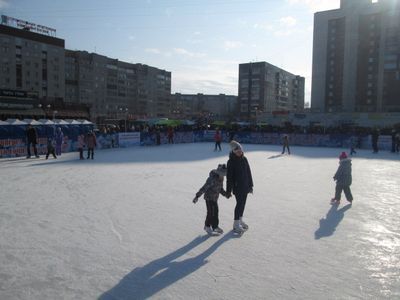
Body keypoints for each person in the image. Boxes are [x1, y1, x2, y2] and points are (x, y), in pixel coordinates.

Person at [226, 140, 253, 234]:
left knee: (243, 204)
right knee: (239, 204)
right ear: (234, 151)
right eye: (237, 152)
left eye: (240, 151)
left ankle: (240, 220)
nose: (239, 153)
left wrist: (251, 185)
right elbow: (229, 178)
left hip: (245, 186)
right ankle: (236, 224)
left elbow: (248, 173)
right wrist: (228, 191)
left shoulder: (244, 159)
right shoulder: (231, 162)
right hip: (237, 187)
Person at [193, 164, 228, 235]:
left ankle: (215, 226)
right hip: (209, 198)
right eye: (221, 173)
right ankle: (207, 226)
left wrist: (225, 194)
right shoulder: (212, 178)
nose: (222, 175)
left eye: (224, 174)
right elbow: (204, 188)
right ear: (218, 172)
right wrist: (197, 196)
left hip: (215, 198)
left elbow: (220, 189)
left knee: (216, 212)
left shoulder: (221, 178)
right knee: (210, 212)